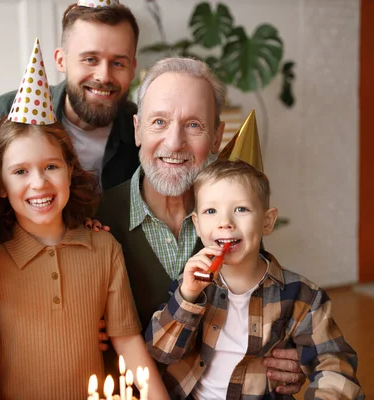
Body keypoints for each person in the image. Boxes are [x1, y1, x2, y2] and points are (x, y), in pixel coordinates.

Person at [0, 49, 168, 397]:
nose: (39, 184)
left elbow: (129, 344)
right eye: (20, 172)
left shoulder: (104, 248)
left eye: (51, 167)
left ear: (70, 170)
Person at [97, 57, 306, 393]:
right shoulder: (98, 217)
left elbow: (265, 301)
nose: (175, 142)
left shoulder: (232, 218)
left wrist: (290, 354)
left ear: (216, 136)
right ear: (137, 129)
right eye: (159, 122)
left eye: (194, 125)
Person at [145, 159, 364, 399]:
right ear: (197, 225)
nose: (225, 222)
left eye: (241, 209)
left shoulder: (303, 297)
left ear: (267, 221)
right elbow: (160, 352)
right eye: (211, 211)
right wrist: (187, 297)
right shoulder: (191, 286)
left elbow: (334, 364)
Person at [0, 2, 140, 190]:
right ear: (61, 61)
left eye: (118, 63)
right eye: (90, 59)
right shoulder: (4, 114)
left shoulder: (145, 131)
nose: (104, 76)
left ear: (133, 69)